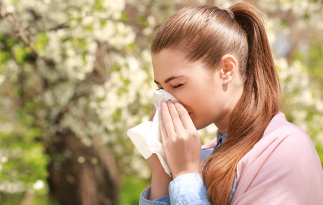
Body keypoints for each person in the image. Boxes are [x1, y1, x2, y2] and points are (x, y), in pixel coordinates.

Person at [138, 2, 323, 205]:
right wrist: (162, 172)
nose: (167, 101)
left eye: (177, 84)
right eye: (161, 89)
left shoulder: (284, 148)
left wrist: (185, 175)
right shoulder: (204, 155)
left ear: (226, 69)